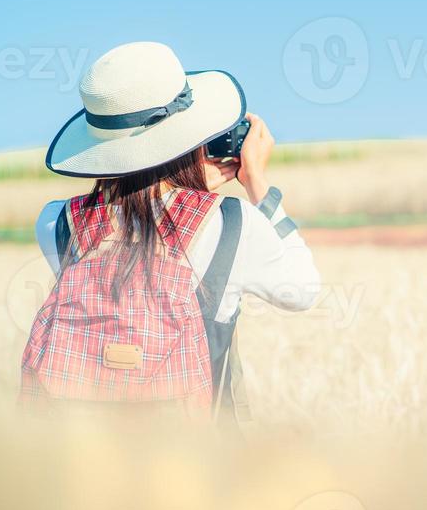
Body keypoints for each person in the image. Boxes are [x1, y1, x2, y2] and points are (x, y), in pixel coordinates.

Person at [20, 41, 320, 422]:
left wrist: (183, 191)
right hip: (189, 461)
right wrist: (256, 181)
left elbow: (131, 227)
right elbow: (303, 291)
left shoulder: (55, 221)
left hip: (83, 455)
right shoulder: (232, 222)